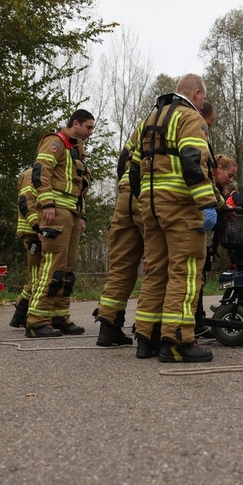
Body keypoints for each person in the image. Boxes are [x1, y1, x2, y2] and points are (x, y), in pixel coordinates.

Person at [129, 74, 215, 362]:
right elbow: (193, 161)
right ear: (196, 93)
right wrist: (207, 204)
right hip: (181, 207)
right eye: (202, 97)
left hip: (151, 208)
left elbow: (132, 169)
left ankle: (147, 338)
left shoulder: (148, 119)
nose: (202, 103)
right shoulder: (190, 118)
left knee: (156, 273)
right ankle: (177, 341)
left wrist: (144, 201)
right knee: (186, 272)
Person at [25, 109, 95, 338]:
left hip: (72, 213)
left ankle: (59, 316)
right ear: (75, 123)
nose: (90, 132)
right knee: (52, 267)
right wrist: (46, 203)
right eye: (88, 127)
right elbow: (40, 172)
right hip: (56, 213)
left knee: (67, 270)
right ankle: (36, 320)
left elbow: (80, 185)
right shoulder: (55, 142)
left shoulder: (77, 149)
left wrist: (82, 215)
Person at [92, 122, 144, 347]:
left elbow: (122, 161)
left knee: (121, 266)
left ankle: (109, 329)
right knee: (162, 262)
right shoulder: (183, 120)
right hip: (150, 193)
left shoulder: (142, 126)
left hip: (125, 194)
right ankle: (150, 330)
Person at [195, 154, 238, 337]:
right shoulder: (206, 183)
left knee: (198, 280)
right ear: (218, 169)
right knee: (195, 280)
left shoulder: (214, 186)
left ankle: (198, 322)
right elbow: (209, 214)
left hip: (201, 238)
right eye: (229, 175)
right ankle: (196, 324)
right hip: (194, 236)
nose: (230, 180)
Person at [9, 166, 42, 328]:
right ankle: (27, 316)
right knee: (37, 279)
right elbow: (26, 201)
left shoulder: (34, 172)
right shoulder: (33, 173)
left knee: (36, 278)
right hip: (33, 234)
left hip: (34, 232)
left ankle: (20, 314)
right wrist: (38, 227)